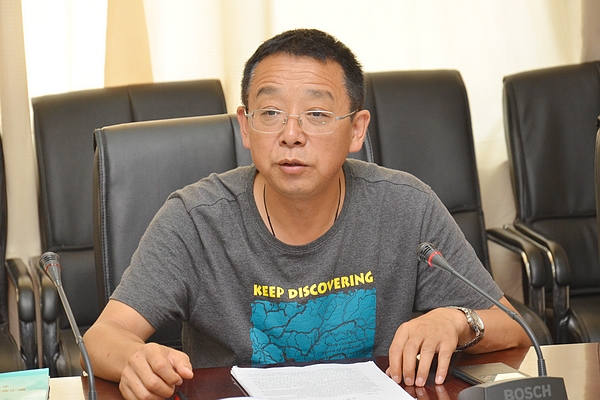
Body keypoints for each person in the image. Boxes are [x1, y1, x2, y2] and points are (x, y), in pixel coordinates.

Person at [83, 28, 529, 399]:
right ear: (245, 126)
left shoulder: (406, 206)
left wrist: (458, 320)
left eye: (316, 113)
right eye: (271, 112)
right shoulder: (195, 219)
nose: (291, 134)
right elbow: (102, 337)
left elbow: (514, 327)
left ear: (356, 130)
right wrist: (135, 358)